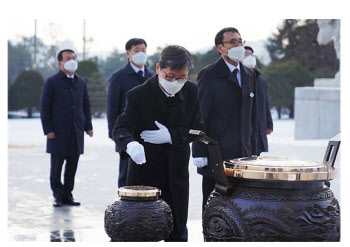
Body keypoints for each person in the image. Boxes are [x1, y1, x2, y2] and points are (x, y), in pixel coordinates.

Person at [113, 45, 203, 241]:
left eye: (181, 78)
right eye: (170, 76)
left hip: (176, 172)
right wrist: (131, 144)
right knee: (141, 227)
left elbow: (199, 129)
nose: (175, 82)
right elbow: (121, 128)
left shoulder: (191, 91)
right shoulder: (138, 95)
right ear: (158, 69)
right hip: (145, 170)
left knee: (177, 226)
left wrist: (172, 135)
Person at [192, 27, 258, 213]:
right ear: (220, 48)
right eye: (233, 42)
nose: (239, 45)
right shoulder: (209, 74)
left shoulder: (250, 74)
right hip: (217, 153)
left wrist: (256, 147)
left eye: (240, 41)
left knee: (243, 207)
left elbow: (253, 116)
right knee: (215, 207)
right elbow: (200, 114)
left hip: (245, 154)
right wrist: (198, 151)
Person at [40, 49, 93, 207]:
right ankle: (58, 195)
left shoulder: (81, 82)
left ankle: (68, 195)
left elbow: (86, 106)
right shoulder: (52, 82)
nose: (72, 60)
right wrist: (48, 129)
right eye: (68, 58)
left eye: (74, 58)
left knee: (72, 166)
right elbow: (45, 107)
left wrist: (88, 126)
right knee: (56, 166)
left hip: (76, 131)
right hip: (57, 132)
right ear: (60, 63)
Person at [107, 38, 155, 188]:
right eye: (136, 50)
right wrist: (115, 134)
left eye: (143, 50)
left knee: (149, 171)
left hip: (149, 132)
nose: (140, 53)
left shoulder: (153, 76)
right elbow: (112, 107)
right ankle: (124, 206)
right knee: (126, 173)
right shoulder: (119, 77)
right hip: (127, 132)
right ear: (128, 54)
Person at [243, 46, 273, 156]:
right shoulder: (239, 78)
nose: (249, 57)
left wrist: (269, 124)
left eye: (251, 55)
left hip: (259, 126)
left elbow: (265, 104)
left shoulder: (260, 81)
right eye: (246, 55)